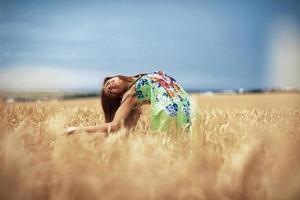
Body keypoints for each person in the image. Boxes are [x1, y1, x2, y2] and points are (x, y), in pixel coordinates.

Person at [64, 70, 191, 135]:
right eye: (110, 91)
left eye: (109, 82)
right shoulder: (129, 95)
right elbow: (115, 126)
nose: (110, 86)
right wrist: (76, 129)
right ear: (118, 96)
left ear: (115, 76)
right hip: (169, 112)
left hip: (185, 107)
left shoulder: (138, 78)